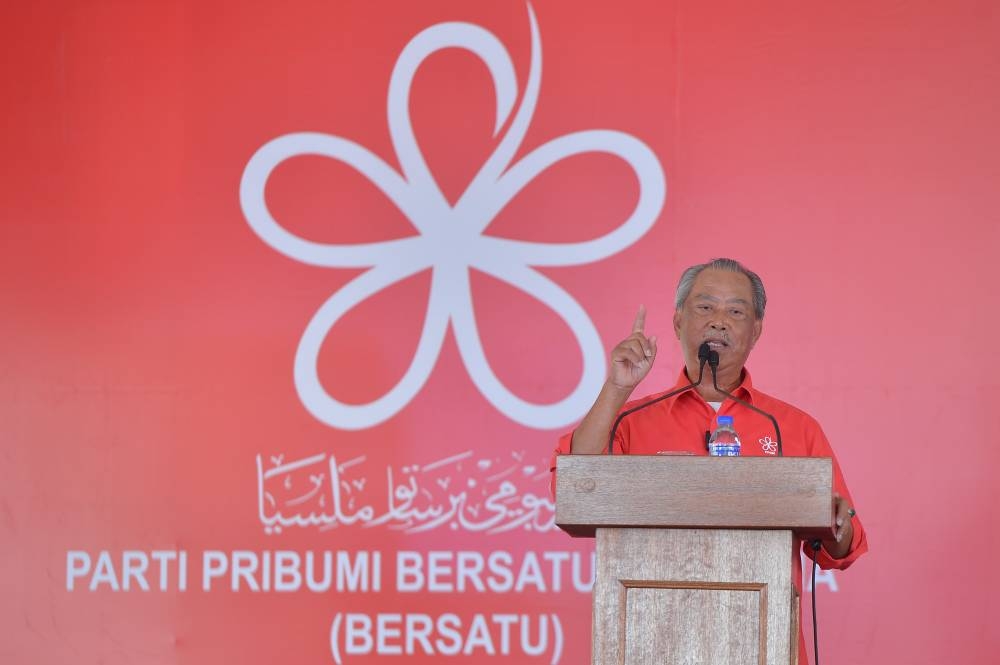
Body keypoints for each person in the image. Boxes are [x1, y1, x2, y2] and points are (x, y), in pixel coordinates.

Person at [551, 257, 868, 663]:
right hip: (649, 640)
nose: (719, 321)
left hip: (766, 644)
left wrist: (837, 525)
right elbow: (573, 487)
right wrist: (617, 387)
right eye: (705, 307)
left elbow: (845, 546)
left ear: (756, 331)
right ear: (678, 320)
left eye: (735, 311)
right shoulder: (631, 419)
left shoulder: (791, 426)